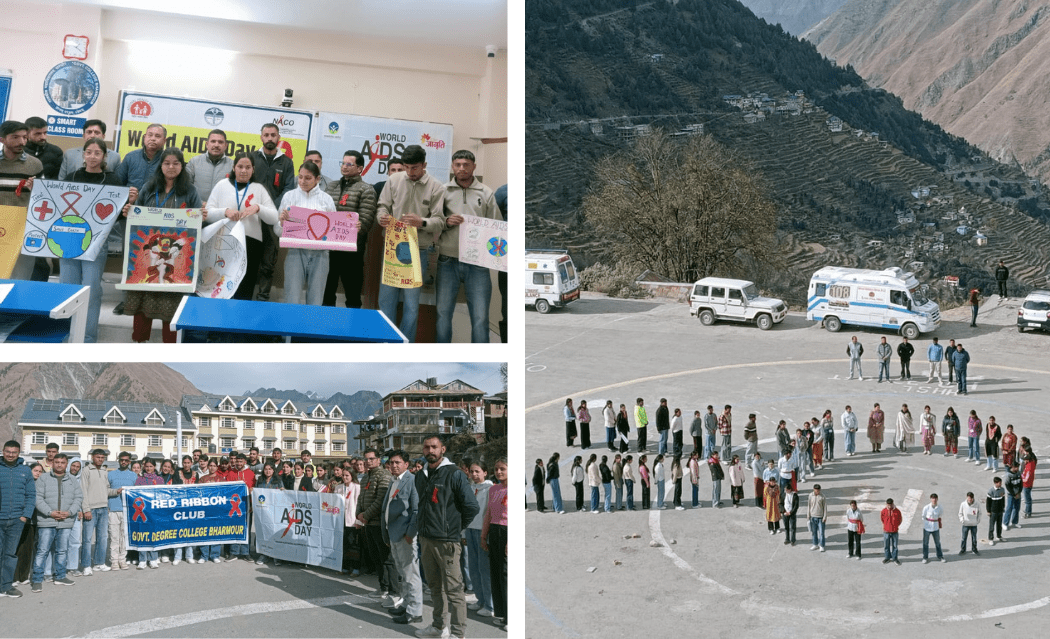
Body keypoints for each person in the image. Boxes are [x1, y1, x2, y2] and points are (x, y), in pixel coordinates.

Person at [124, 148, 202, 342]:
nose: (171, 167)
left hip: (175, 258)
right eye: (167, 163)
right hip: (150, 253)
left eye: (176, 163)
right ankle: (140, 343)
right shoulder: (149, 187)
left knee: (171, 303)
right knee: (144, 297)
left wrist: (201, 216)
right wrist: (129, 211)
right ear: (161, 166)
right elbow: (137, 217)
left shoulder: (190, 191)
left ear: (182, 166)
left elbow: (196, 225)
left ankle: (169, 347)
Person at [60, 138, 132, 342]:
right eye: (88, 152)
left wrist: (125, 210)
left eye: (97, 153)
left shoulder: (113, 180)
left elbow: (116, 214)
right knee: (68, 288)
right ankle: (65, 334)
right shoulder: (71, 177)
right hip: (68, 241)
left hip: (96, 242)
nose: (92, 156)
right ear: (83, 154)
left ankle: (88, 336)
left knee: (91, 289)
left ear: (104, 157)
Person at [376, 144, 446, 342]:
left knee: (411, 305)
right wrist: (381, 217)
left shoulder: (436, 187)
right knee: (386, 300)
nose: (409, 172)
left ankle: (405, 345)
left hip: (418, 250)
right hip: (392, 248)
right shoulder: (394, 180)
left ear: (424, 165)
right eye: (406, 167)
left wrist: (422, 222)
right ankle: (385, 343)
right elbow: (382, 206)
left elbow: (440, 221)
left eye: (414, 168)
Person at [413, 436, 479, 639]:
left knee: (454, 590)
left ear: (443, 449)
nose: (430, 450)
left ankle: (458, 634)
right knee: (435, 588)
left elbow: (471, 507)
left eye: (434, 447)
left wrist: (454, 528)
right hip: (426, 539)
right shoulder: (421, 475)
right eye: (426, 447)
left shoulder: (454, 474)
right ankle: (438, 627)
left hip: (447, 542)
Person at [436, 149, 501, 343]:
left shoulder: (486, 193)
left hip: (477, 263)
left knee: (480, 318)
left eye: (466, 164)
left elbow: (496, 227)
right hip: (447, 260)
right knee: (442, 315)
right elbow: (433, 221)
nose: (462, 168)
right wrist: (446, 221)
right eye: (458, 164)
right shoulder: (442, 191)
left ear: (474, 166)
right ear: (452, 167)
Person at [203, 151, 279, 301]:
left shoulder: (259, 189)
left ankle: (239, 322)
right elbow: (208, 213)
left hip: (250, 245)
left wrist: (258, 208)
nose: (244, 170)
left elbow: (274, 217)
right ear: (233, 168)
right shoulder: (222, 185)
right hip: (223, 243)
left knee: (246, 284)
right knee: (220, 283)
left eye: (248, 167)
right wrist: (225, 212)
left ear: (253, 170)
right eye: (240, 166)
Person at [273, 161, 337, 306]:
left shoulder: (327, 200)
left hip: (321, 254)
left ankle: (311, 329)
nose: (302, 181)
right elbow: (277, 230)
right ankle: (289, 328)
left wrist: (351, 228)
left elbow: (333, 230)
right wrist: (282, 223)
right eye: (300, 177)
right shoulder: (289, 196)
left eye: (308, 178)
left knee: (316, 299)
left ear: (317, 179)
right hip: (296, 252)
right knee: (292, 297)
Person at [323, 150, 377, 308]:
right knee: (326, 294)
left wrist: (358, 226)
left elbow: (366, 221)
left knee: (353, 297)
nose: (344, 167)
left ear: (360, 168)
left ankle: (351, 331)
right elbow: (322, 212)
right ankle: (324, 331)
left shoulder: (366, 189)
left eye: (349, 164)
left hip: (352, 253)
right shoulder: (331, 186)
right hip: (329, 250)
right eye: (343, 163)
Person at [251, 123, 297, 301]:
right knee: (247, 259)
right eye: (266, 135)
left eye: (273, 135)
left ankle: (263, 298)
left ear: (279, 138)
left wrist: (270, 207)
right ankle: (243, 297)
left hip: (273, 219)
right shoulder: (252, 158)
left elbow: (288, 188)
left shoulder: (287, 162)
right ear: (261, 137)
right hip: (252, 217)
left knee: (268, 264)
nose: (270, 138)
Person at [381, 450, 423, 626]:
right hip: (394, 533)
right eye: (392, 462)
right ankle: (406, 604)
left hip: (405, 535)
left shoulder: (412, 480)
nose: (394, 465)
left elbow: (416, 509)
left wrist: (410, 533)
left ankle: (415, 611)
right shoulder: (394, 481)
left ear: (407, 464)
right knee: (403, 573)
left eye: (398, 462)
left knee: (411, 574)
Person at [31, 453, 81, 592]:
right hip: (47, 520)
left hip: (66, 521)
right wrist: (50, 512)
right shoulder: (43, 479)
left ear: (66, 464)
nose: (59, 465)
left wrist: (70, 512)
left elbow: (78, 498)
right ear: (52, 463)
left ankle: (60, 576)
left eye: (62, 462)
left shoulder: (72, 480)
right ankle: (37, 579)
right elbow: (37, 498)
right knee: (42, 550)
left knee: (62, 550)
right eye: (57, 462)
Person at [0, 120, 44, 280]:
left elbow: (43, 200)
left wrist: (36, 190)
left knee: (21, 277)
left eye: (24, 137)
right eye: (15, 137)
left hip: (22, 230)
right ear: (2, 139)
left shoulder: (34, 165)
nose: (22, 142)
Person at [1, 440, 36, 597]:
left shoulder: (25, 471)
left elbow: (31, 495)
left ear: (18, 453)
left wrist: (25, 516)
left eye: (14, 452)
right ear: (3, 451)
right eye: (8, 451)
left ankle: (6, 586)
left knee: (10, 554)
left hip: (16, 520)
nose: (10, 454)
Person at [357, 448, 393, 599]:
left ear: (378, 460)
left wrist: (366, 514)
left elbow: (381, 499)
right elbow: (360, 497)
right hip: (368, 523)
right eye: (366, 459)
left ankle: (390, 588)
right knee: (375, 557)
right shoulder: (366, 477)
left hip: (379, 523)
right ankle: (382, 586)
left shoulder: (383, 475)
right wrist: (358, 514)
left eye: (372, 458)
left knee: (384, 558)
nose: (368, 461)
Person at [460, 461, 493, 619]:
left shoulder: (489, 489)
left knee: (484, 568)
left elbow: (488, 512)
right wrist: (464, 533)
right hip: (470, 530)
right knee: (473, 567)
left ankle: (490, 604)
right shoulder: (470, 488)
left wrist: (485, 534)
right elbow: (465, 511)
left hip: (482, 531)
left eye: (477, 471)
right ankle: (480, 599)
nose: (474, 475)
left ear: (485, 472)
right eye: (472, 472)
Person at [481, 458, 508, 631]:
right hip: (494, 532)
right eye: (496, 469)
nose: (499, 472)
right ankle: (503, 614)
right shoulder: (493, 489)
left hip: (507, 532)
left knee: (506, 575)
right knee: (496, 573)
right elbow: (488, 513)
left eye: (503, 469)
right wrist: (484, 536)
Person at [79, 449, 111, 575]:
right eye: (98, 457)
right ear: (93, 457)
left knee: (102, 538)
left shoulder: (104, 471)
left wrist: (117, 491)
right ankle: (86, 565)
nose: (100, 459)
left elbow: (107, 489)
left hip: (103, 508)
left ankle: (99, 563)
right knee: (87, 539)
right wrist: (86, 509)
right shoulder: (86, 470)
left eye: (102, 457)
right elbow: (83, 491)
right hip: (91, 509)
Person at [186, 129, 233, 202]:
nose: (216, 145)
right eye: (213, 141)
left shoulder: (232, 165)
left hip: (221, 210)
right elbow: (185, 186)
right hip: (197, 209)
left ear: (226, 146)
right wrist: (200, 203)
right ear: (207, 144)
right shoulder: (194, 162)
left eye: (220, 142)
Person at [134, 458, 164, 569]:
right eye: (147, 466)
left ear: (154, 467)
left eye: (151, 466)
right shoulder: (139, 480)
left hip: (155, 511)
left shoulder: (159, 480)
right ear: (143, 467)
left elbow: (163, 495)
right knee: (142, 534)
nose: (149, 468)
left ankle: (153, 558)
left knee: (154, 534)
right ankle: (142, 559)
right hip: (142, 511)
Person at [921, 494, 946, 564]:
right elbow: (923, 516)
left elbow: (940, 514)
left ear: (937, 499)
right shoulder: (926, 507)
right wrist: (927, 522)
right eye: (932, 498)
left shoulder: (939, 507)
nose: (934, 500)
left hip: (935, 527)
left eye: (935, 499)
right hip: (927, 527)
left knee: (937, 543)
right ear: (930, 499)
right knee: (925, 543)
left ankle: (940, 556)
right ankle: (925, 557)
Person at [881, 498, 902, 565]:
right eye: (888, 505)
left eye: (890, 505)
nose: (889, 506)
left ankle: (895, 558)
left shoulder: (897, 511)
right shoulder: (883, 511)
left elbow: (900, 520)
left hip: (894, 531)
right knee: (886, 545)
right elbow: (882, 519)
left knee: (895, 546)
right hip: (886, 531)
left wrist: (895, 526)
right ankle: (887, 558)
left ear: (893, 504)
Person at [1003, 462, 1023, 531]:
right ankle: (1005, 523)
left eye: (1018, 467)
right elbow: (1007, 486)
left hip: (1018, 493)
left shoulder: (1018, 473)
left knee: (1017, 508)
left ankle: (1014, 522)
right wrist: (1014, 494)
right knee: (1009, 508)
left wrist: (1019, 492)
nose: (1017, 468)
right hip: (1011, 494)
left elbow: (1021, 483)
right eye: (1016, 467)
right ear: (1012, 467)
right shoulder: (1008, 475)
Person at [808, 484, 827, 552]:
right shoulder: (810, 495)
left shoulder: (822, 496)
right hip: (813, 517)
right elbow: (809, 506)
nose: (817, 491)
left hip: (820, 518)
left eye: (818, 490)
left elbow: (825, 508)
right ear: (814, 489)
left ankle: (822, 545)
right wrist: (808, 516)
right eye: (816, 490)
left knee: (821, 533)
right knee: (814, 532)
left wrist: (825, 517)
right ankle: (815, 544)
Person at [986, 477, 1005, 545]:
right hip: (993, 511)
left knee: (999, 525)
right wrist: (988, 511)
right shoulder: (991, 491)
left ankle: (999, 536)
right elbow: (988, 502)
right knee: (992, 526)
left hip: (1000, 510)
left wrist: (1003, 508)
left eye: (1001, 483)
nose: (1000, 484)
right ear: (995, 483)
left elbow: (1003, 499)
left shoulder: (1002, 490)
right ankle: (991, 538)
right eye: (999, 483)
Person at [1020, 445, 1036, 518]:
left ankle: (1028, 512)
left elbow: (1027, 477)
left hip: (1027, 484)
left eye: (1025, 460)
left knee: (1027, 499)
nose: (1024, 461)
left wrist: (1021, 480)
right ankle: (1027, 510)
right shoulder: (1031, 463)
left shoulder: (1029, 466)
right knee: (1027, 498)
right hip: (1028, 483)